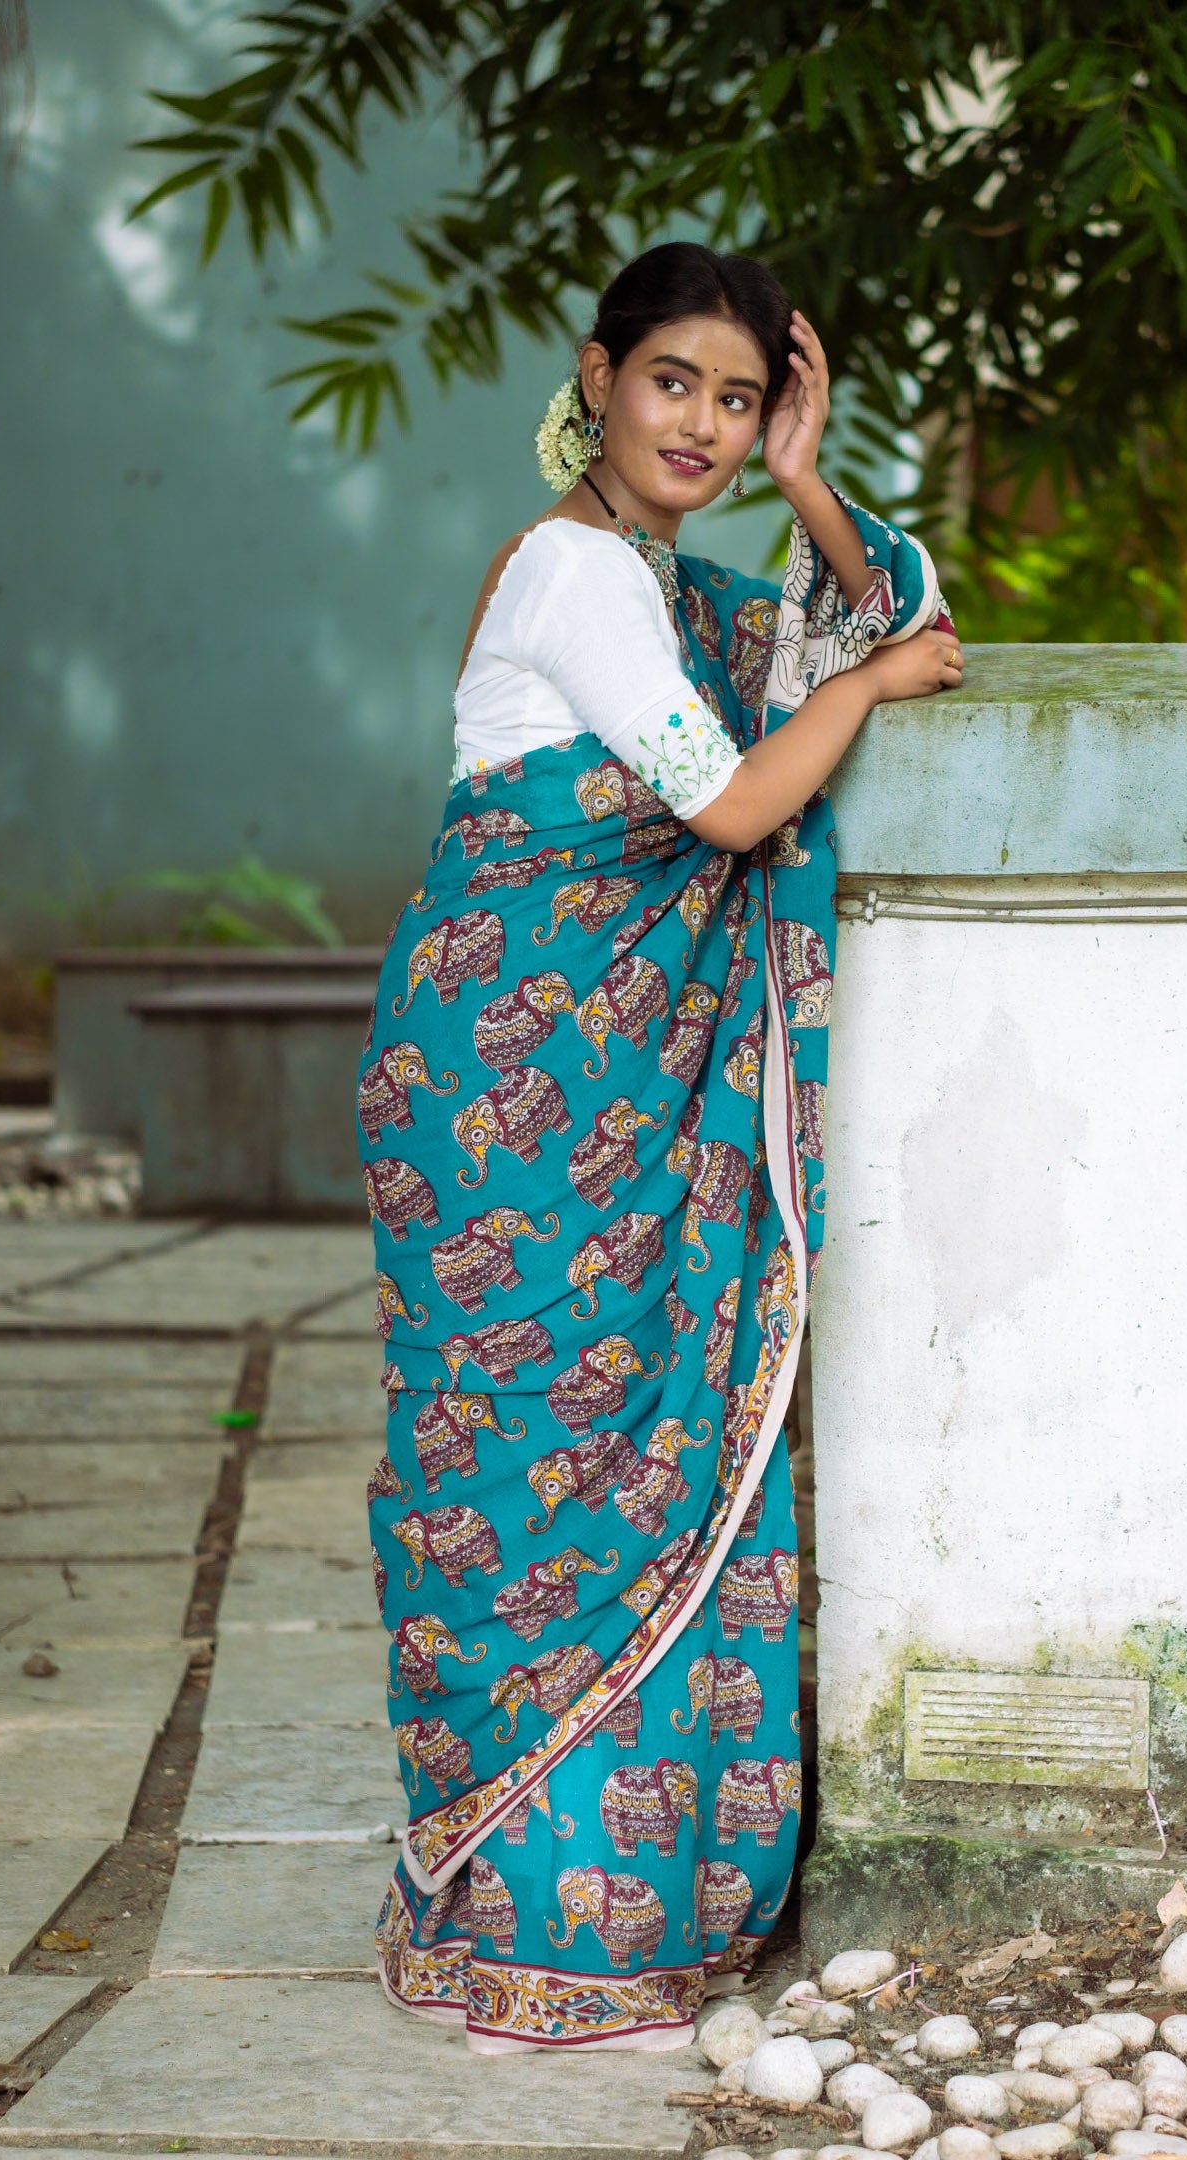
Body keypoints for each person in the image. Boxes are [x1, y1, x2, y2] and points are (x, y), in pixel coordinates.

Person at [357, 239, 962, 2053]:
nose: (700, 422)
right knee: (520, 1462)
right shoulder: (577, 576)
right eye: (673, 381)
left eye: (740, 398)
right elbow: (736, 795)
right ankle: (516, 1907)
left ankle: (610, 1910)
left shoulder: (674, 588)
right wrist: (859, 698)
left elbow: (892, 611)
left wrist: (808, 481)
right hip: (506, 1094)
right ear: (598, 379)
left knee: (629, 1445)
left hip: (611, 1088)